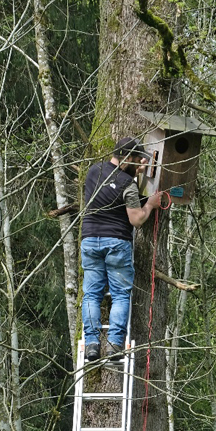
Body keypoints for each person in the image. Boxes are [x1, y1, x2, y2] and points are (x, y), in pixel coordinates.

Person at [81, 137, 163, 361]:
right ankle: (115, 344)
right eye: (136, 160)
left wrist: (134, 172)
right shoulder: (128, 183)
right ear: (127, 158)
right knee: (119, 295)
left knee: (91, 294)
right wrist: (150, 204)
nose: (139, 165)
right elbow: (136, 219)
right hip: (116, 242)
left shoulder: (93, 172)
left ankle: (91, 344)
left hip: (89, 240)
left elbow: (110, 185)